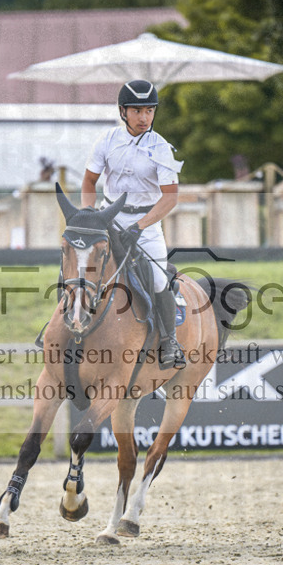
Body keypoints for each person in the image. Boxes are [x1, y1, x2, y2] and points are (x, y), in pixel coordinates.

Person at [81, 79, 186, 369]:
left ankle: (169, 341)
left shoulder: (162, 148)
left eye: (150, 111)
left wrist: (139, 226)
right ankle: (71, 331)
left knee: (157, 278)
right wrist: (89, 216)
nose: (144, 117)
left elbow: (170, 198)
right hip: (108, 217)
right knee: (82, 267)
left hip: (147, 223)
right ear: (123, 111)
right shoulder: (106, 140)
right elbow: (89, 182)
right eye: (138, 111)